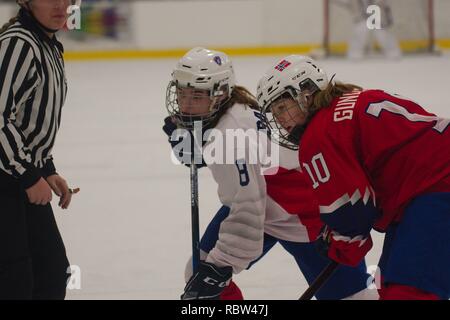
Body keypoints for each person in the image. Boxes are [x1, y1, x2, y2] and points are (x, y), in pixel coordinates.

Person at [163, 47, 377, 300]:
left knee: (353, 298)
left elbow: (248, 209)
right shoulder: (233, 108)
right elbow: (251, 181)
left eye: (196, 95)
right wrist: (199, 148)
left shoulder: (231, 139)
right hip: (260, 199)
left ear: (219, 94)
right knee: (200, 277)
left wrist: (221, 264)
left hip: (303, 216)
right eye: (182, 92)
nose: (186, 103)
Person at [257, 54, 450, 300]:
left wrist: (339, 241)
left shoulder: (318, 135)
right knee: (390, 285)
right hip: (421, 194)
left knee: (408, 293)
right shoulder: (355, 99)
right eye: (275, 112)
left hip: (436, 189)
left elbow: (353, 212)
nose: (281, 120)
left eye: (283, 107)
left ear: (305, 93)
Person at [0, 0, 81, 299]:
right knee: (15, 281)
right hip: (7, 180)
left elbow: (29, 121)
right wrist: (27, 175)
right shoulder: (19, 43)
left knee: (50, 272)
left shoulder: (48, 44)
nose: (61, 5)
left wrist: (46, 168)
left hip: (20, 176)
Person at [336, 0, 402, 59]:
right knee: (360, 29)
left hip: (378, 15)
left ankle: (392, 50)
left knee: (382, 33)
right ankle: (355, 51)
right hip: (361, 17)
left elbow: (384, 4)